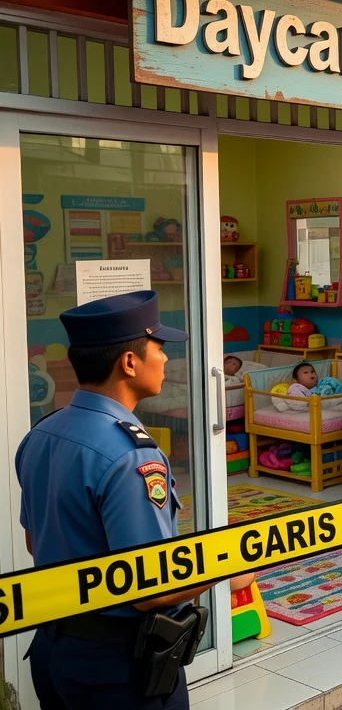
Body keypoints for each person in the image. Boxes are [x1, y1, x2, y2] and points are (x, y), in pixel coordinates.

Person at [19, 291, 249, 709]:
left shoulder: (42, 434)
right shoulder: (131, 454)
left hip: (54, 650)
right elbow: (148, 586)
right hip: (117, 670)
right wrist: (233, 560)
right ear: (129, 362)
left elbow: (37, 543)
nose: (164, 359)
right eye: (159, 348)